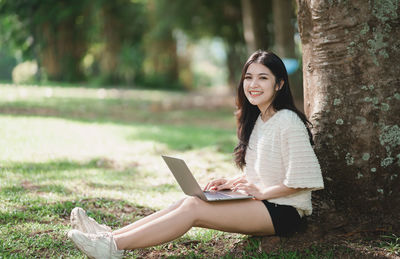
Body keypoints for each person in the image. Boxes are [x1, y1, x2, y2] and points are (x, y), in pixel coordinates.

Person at [67, 50, 324, 259]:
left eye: (263, 78)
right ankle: (108, 236)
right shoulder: (260, 120)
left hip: (284, 212)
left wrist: (262, 193)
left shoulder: (288, 120)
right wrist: (233, 182)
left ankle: (112, 248)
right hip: (265, 203)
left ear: (279, 84)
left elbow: (304, 179)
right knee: (189, 200)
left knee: (193, 208)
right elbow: (266, 170)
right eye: (249, 77)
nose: (253, 84)